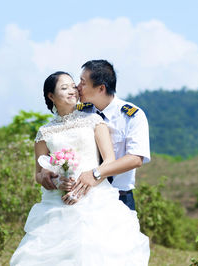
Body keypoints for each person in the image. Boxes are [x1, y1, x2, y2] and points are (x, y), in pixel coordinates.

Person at [10, 71, 150, 265]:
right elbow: (39, 174)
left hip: (95, 198)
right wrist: (54, 179)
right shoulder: (44, 132)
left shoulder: (93, 121)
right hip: (59, 201)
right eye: (64, 87)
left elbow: (108, 160)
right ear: (51, 96)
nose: (72, 91)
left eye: (73, 86)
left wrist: (90, 179)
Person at [63, 59, 150, 210]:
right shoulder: (80, 112)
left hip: (120, 197)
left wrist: (96, 174)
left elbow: (135, 158)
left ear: (101, 88)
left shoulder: (132, 115)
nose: (78, 87)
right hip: (84, 196)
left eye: (83, 82)